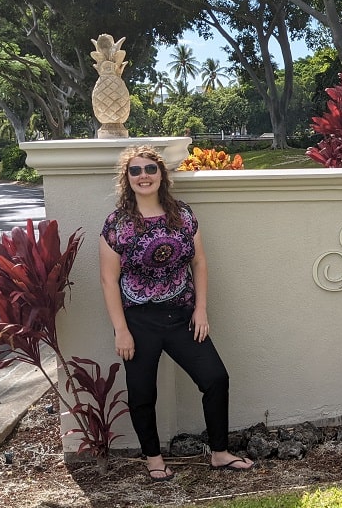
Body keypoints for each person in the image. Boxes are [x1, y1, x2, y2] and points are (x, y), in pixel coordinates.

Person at [99, 145, 254, 482]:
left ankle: (220, 453)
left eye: (150, 169)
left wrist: (200, 310)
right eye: (135, 171)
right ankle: (154, 459)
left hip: (182, 315)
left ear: (161, 175)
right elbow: (109, 280)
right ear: (127, 179)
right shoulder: (117, 225)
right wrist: (120, 330)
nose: (144, 176)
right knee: (142, 392)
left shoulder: (182, 215)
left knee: (215, 378)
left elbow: (198, 261)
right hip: (138, 321)